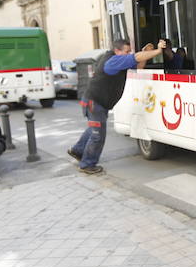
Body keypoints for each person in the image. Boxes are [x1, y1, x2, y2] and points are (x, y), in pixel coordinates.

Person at [69, 38, 166, 174]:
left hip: (97, 102)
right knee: (98, 134)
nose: (129, 54)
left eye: (129, 51)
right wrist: (158, 51)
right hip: (94, 102)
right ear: (117, 51)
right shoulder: (112, 61)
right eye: (126, 52)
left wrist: (145, 53)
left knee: (94, 128)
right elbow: (135, 57)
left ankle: (78, 150)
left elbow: (139, 65)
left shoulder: (119, 60)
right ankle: (87, 164)